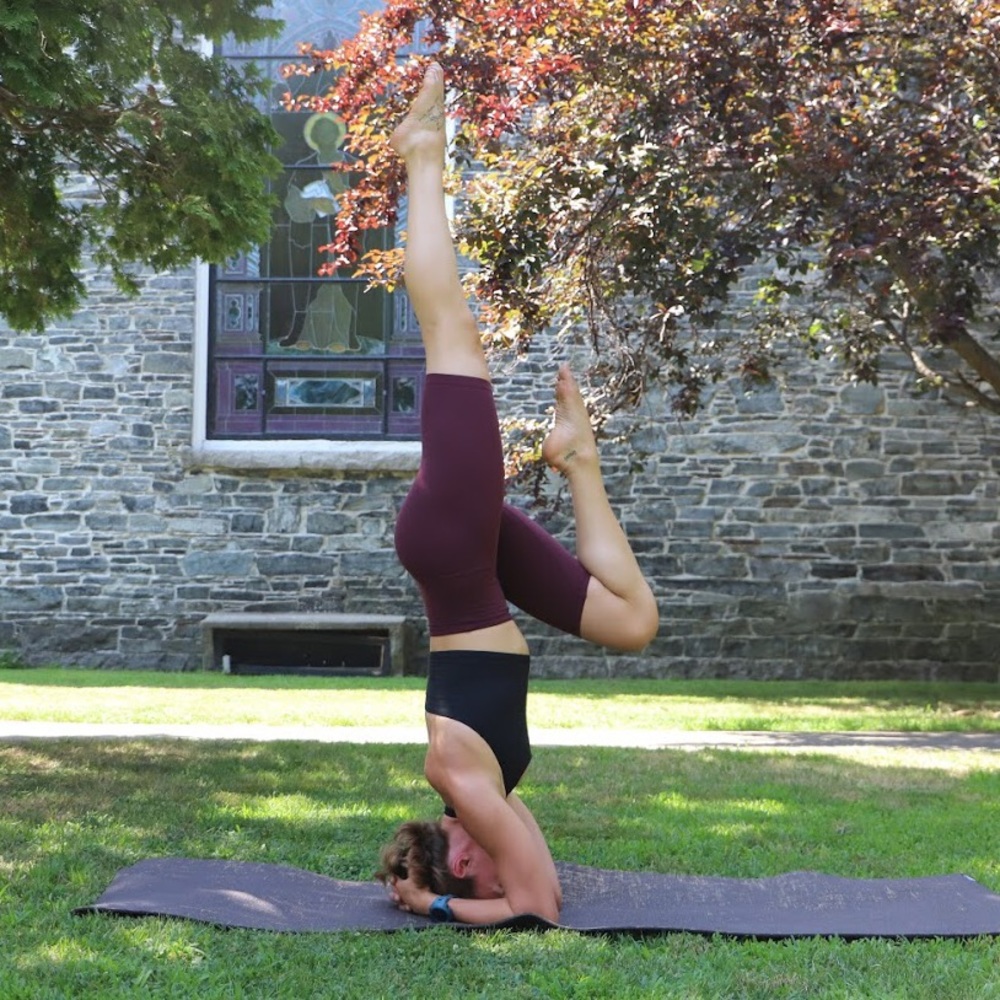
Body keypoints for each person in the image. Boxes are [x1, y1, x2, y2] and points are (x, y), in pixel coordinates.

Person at [377, 62, 659, 925]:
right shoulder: (484, 801)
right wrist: (442, 893)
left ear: (462, 859)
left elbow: (536, 908)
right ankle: (577, 461)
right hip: (473, 556)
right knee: (631, 622)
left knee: (453, 335)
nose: (501, 875)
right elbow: (538, 889)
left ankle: (421, 154)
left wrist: (434, 905)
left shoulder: (463, 782)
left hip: (453, 547)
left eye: (480, 878)